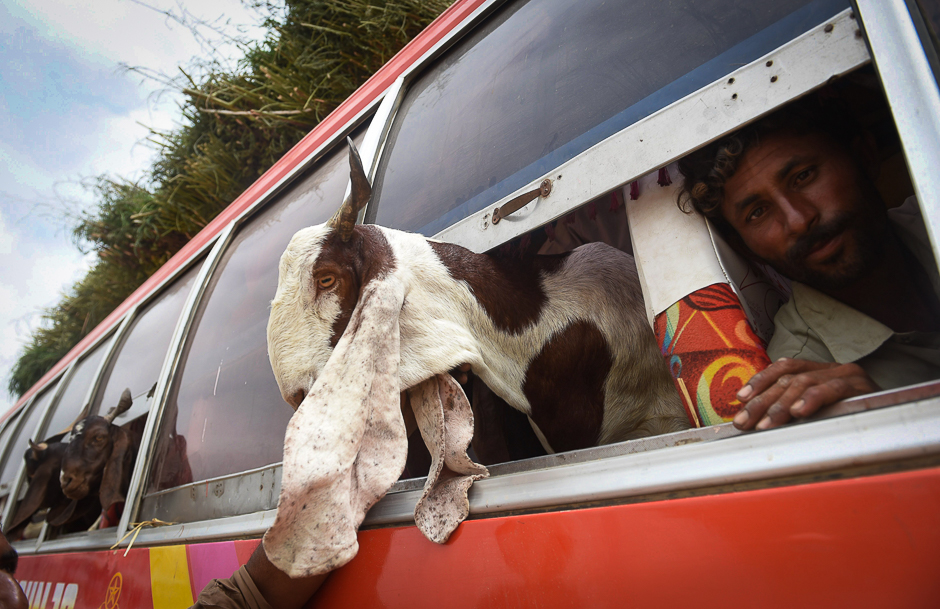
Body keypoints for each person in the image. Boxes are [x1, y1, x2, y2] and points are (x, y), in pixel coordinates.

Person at [677, 95, 940, 431]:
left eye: (803, 177)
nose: (798, 220)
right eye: (757, 213)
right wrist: (891, 426)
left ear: (865, 156)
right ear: (747, 249)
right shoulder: (802, 373)